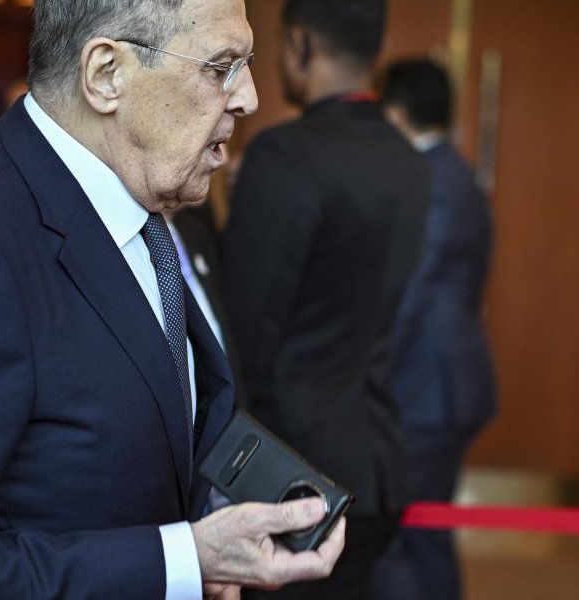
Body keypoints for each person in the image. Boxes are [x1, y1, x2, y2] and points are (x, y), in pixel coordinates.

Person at [0, 0, 344, 598]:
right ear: (106, 74)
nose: (249, 98)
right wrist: (181, 561)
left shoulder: (132, 210)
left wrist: (216, 512)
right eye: (221, 66)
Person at [220, 0, 431, 597]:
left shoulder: (285, 155)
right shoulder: (409, 161)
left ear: (300, 44)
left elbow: (245, 331)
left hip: (297, 473)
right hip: (379, 457)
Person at [372, 58, 497, 600]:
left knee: (408, 537)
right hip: (441, 383)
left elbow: (411, 292)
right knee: (425, 535)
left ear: (398, 113)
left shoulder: (433, 181)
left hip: (429, 387)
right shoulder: (453, 172)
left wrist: (366, 370)